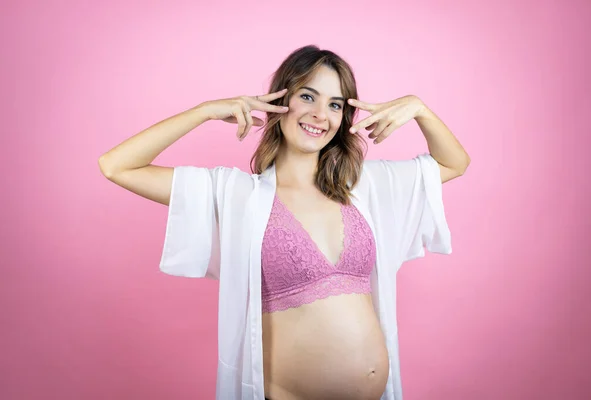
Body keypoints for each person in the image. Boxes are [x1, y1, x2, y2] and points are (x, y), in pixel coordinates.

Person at [98, 45, 470, 400]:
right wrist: (206, 110)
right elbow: (116, 165)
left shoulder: (364, 188)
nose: (320, 115)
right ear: (281, 100)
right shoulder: (237, 195)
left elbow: (454, 163)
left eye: (335, 104)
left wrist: (420, 109)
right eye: (308, 97)